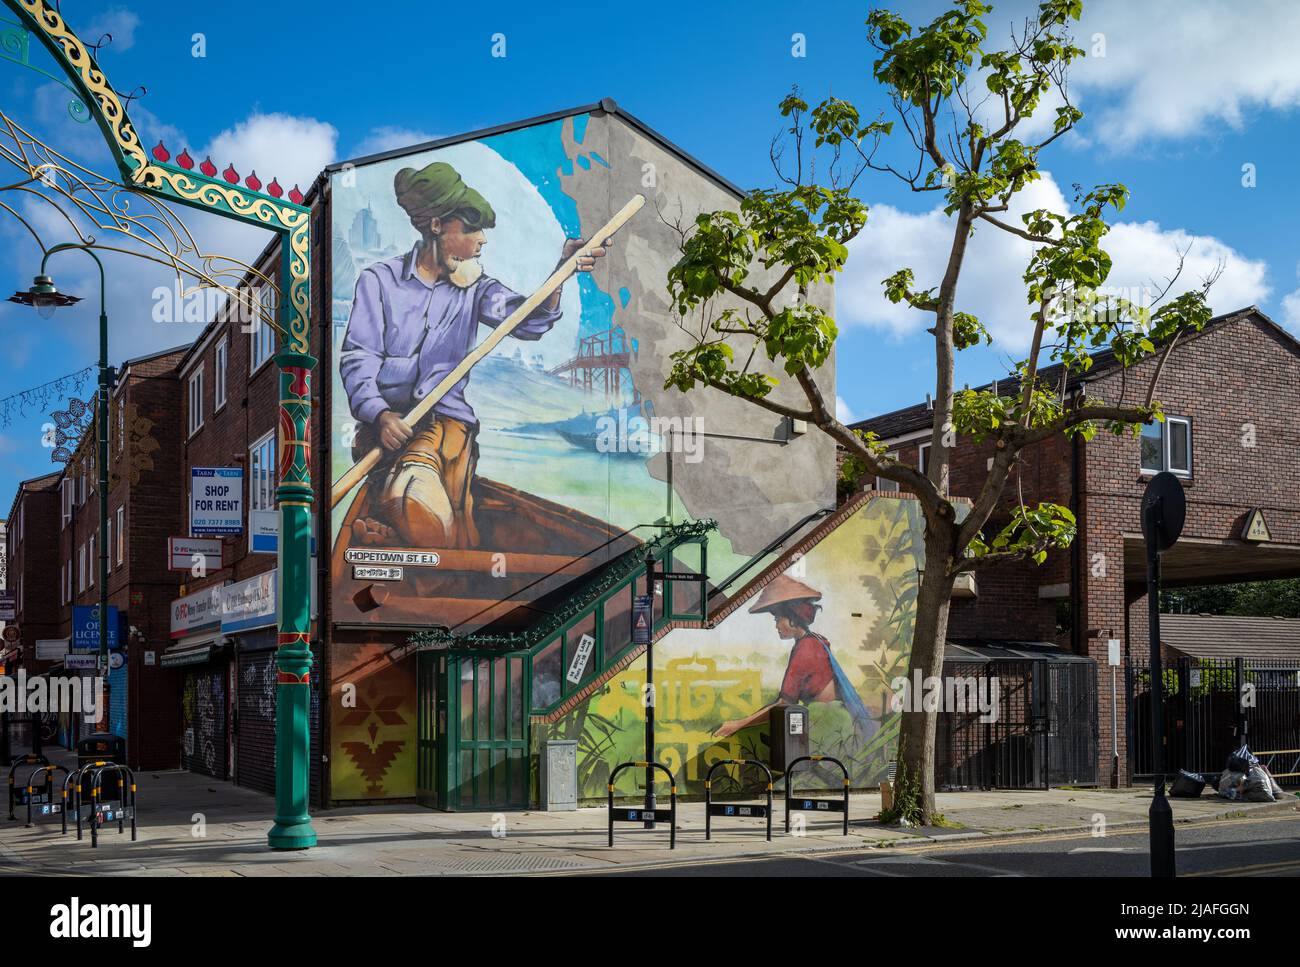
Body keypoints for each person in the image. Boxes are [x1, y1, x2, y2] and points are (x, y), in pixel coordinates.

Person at [339, 160, 609, 548]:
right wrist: (379, 415)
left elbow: (527, 320)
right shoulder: (377, 282)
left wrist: (562, 272)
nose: (481, 240)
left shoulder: (476, 288)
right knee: (415, 504)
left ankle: (403, 525)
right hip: (385, 437)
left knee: (417, 501)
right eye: (470, 229)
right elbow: (358, 358)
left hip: (447, 433)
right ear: (436, 226)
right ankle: (403, 526)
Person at [714, 575, 877, 742]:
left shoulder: (805, 649)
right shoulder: (816, 640)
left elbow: (784, 703)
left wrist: (738, 724)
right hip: (833, 721)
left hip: (826, 727)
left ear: (792, 619)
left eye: (778, 619)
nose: (776, 626)